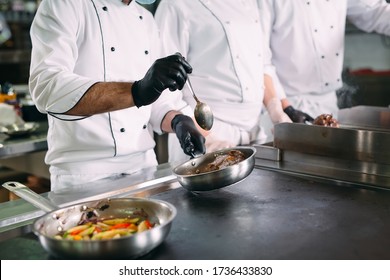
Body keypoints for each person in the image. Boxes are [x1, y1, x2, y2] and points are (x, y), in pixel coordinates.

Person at [28, 0, 205, 193]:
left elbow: (155, 100)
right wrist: (137, 91)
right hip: (83, 176)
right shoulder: (65, 4)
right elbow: (48, 88)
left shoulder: (146, 19)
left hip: (144, 168)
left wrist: (178, 120)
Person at [154, 0, 292, 163]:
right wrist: (208, 137)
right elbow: (165, 88)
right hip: (206, 140)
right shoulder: (175, 5)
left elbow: (262, 64)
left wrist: (275, 109)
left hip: (255, 138)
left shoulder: (252, 3)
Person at [260, 0, 390, 121]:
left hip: (327, 104)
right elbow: (260, 58)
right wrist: (284, 107)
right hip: (285, 104)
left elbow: (376, 12)